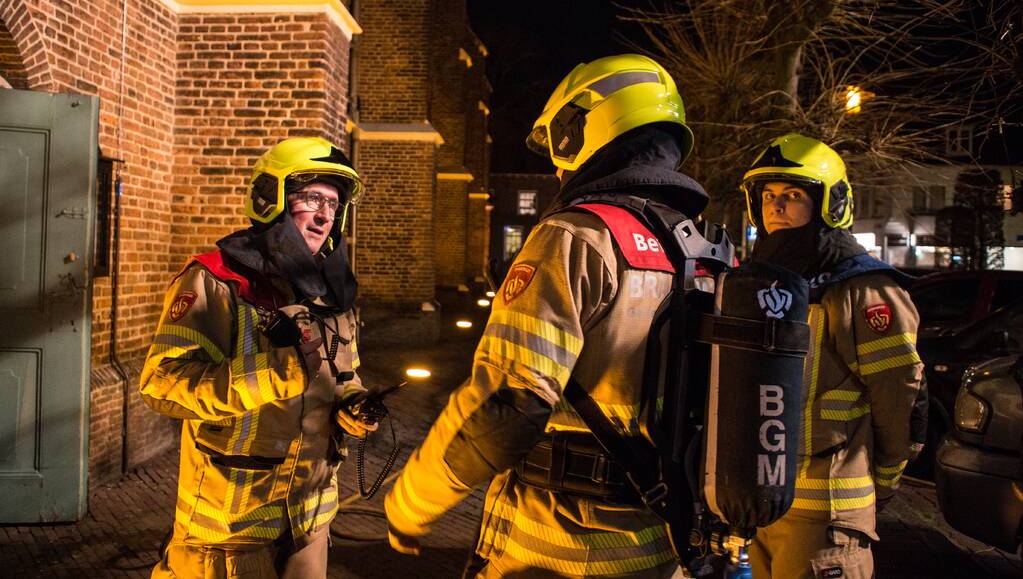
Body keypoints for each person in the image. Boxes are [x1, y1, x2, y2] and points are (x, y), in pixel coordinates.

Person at [384, 54, 713, 577]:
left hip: (558, 544)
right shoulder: (701, 250)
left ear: (582, 128)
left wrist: (410, 503)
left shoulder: (576, 236)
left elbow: (508, 404)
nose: (558, 168)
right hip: (662, 542)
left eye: (560, 146)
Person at [140, 137, 376, 579]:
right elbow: (162, 384)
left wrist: (353, 403)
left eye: (334, 202)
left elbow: (345, 372)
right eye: (312, 198)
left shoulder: (332, 290)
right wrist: (276, 373)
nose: (326, 215)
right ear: (275, 199)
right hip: (232, 528)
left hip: (312, 517)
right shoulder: (217, 281)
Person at [741, 133, 924, 579]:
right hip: (763, 506)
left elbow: (900, 397)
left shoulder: (862, 287)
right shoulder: (759, 283)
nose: (776, 206)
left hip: (827, 513)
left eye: (793, 195)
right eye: (768, 196)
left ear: (831, 203)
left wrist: (885, 480)